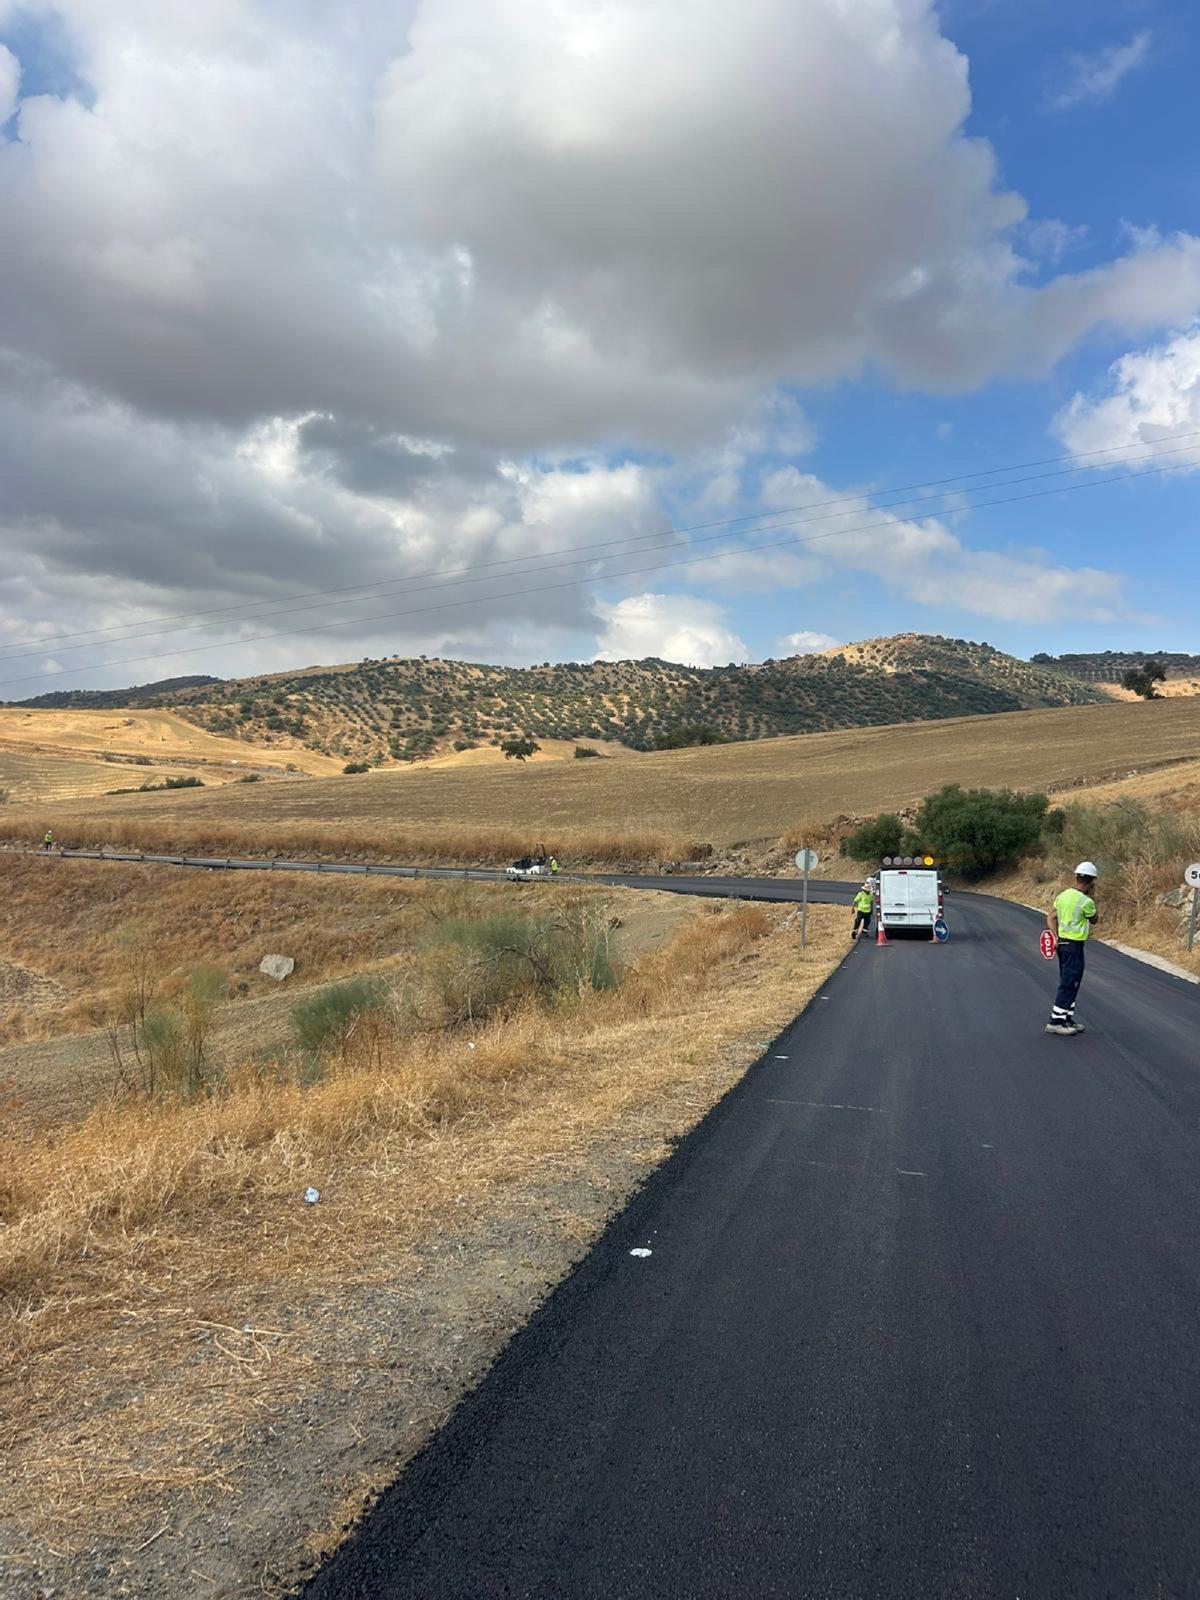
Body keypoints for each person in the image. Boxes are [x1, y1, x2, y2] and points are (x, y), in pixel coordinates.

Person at [1045, 861, 1099, 1036]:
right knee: (1070, 983)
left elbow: (1051, 918)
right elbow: (1095, 919)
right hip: (1074, 946)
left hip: (1062, 945)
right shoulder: (1086, 902)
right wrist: (1092, 897)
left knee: (1069, 981)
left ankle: (1067, 1018)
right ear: (1092, 881)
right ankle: (1055, 1021)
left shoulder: (1063, 896)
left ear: (1076, 877)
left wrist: (1055, 936)